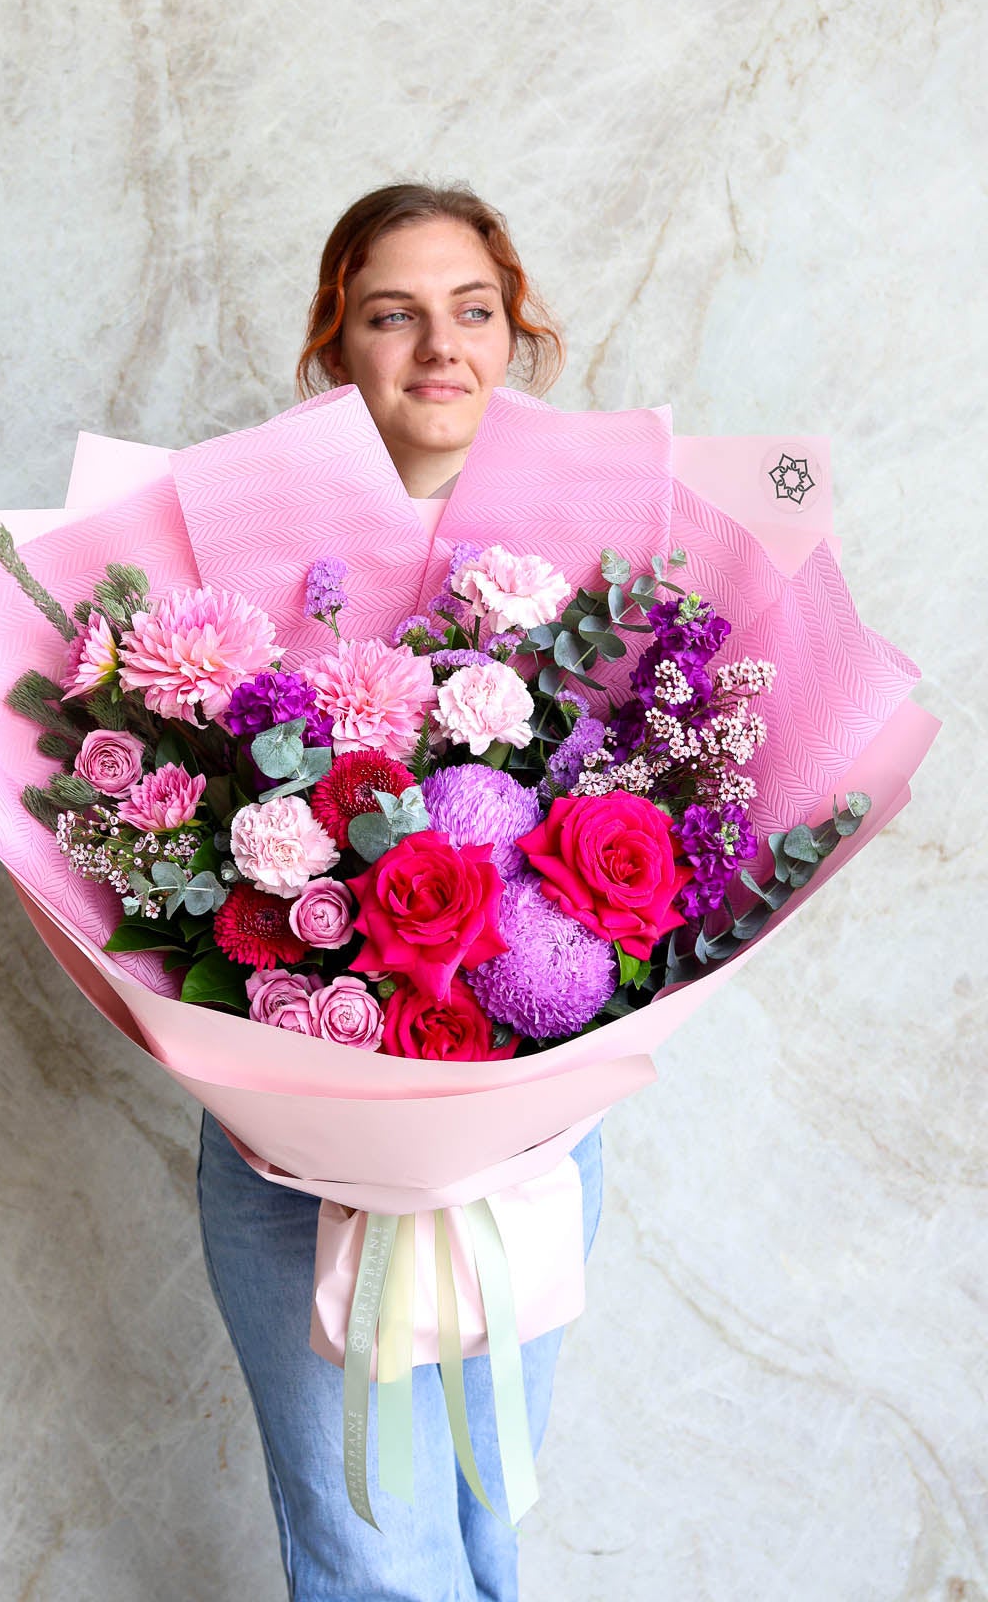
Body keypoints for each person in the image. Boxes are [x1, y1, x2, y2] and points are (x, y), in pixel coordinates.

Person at [195, 182, 606, 1602]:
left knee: (492, 1522)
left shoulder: (604, 580)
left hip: (533, 1138)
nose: (440, 346)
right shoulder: (242, 585)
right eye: (393, 314)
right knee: (376, 1552)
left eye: (471, 311)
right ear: (338, 345)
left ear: (514, 333)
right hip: (295, 1150)